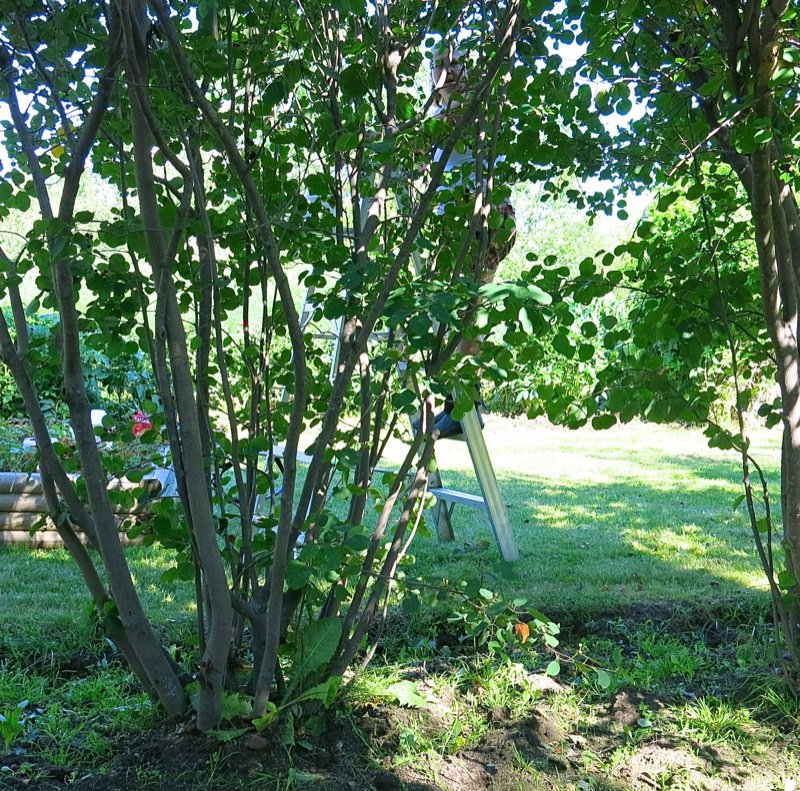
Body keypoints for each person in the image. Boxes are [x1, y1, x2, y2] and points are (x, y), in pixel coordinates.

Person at [422, 41, 517, 438]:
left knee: (466, 312)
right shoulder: (433, 120)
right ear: (432, 76)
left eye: (457, 63)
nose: (452, 72)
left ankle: (467, 405)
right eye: (443, 65)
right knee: (452, 311)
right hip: (453, 228)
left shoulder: (476, 111)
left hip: (483, 223)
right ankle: (456, 402)